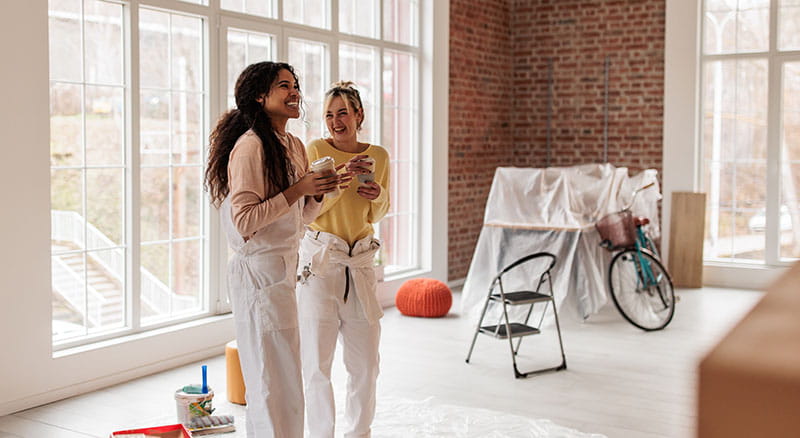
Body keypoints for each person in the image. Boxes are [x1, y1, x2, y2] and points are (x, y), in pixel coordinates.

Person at [204, 62, 349, 438]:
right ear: (259, 95)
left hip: (283, 272)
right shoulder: (250, 147)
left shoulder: (294, 145)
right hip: (257, 277)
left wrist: (320, 190)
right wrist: (300, 189)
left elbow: (301, 218)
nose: (295, 91)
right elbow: (245, 222)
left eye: (296, 84)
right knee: (270, 382)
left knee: (286, 382)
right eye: (284, 85)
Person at [296, 81, 390, 438]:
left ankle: (359, 433)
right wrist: (337, 184)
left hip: (361, 264)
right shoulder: (316, 150)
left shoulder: (378, 156)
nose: (336, 121)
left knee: (366, 364)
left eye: (343, 113)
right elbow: (309, 212)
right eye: (329, 115)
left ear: (358, 115)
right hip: (322, 263)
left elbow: (378, 212)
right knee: (317, 365)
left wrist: (377, 194)